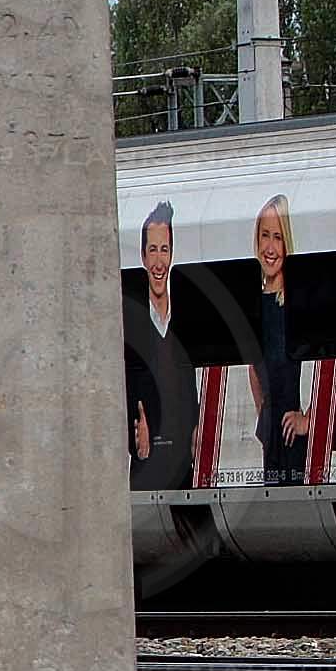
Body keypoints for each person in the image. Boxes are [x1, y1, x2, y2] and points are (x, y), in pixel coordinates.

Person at [125, 202, 198, 490]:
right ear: (143, 256)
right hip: (147, 461)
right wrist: (135, 422)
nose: (158, 262)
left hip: (184, 462)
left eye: (164, 250)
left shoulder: (185, 315)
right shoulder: (130, 319)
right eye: (152, 250)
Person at [246, 195, 309, 483]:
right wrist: (264, 416)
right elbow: (253, 367)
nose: (270, 247)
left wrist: (309, 419)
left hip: (300, 446)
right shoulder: (255, 306)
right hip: (270, 437)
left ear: (287, 244)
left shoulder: (300, 304)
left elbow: (328, 366)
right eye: (265, 236)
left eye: (278, 237)